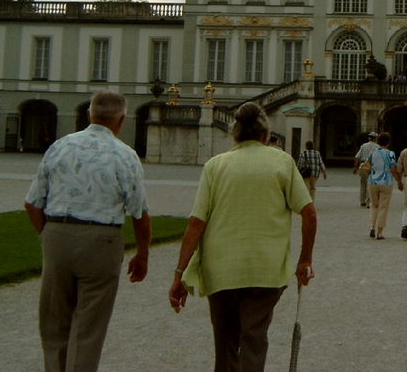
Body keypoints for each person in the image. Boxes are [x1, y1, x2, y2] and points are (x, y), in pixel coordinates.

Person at [169, 102, 316, 372]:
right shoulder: (282, 162)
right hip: (266, 267)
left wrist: (179, 273)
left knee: (225, 342)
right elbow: (309, 213)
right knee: (254, 339)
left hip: (221, 267)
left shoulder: (215, 165)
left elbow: (196, 223)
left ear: (234, 133)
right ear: (266, 135)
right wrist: (304, 259)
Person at [23, 91, 152, 372]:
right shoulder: (125, 155)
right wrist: (142, 255)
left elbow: (32, 203)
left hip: (57, 233)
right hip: (102, 240)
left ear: (89, 115)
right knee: (89, 328)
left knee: (54, 323)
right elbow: (139, 213)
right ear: (122, 120)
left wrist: (48, 235)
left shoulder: (60, 146)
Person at [367, 133, 399, 239]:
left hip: (373, 181)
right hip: (386, 181)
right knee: (383, 207)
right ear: (388, 143)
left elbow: (367, 164)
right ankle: (379, 232)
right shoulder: (390, 153)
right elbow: (393, 169)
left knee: (374, 205)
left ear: (378, 141)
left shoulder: (373, 152)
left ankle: (372, 226)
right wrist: (399, 181)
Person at [352, 132, 380, 208]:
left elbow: (357, 157)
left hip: (363, 165)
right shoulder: (377, 147)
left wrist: (355, 167)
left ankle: (362, 201)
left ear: (369, 138)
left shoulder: (363, 146)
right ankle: (369, 202)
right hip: (373, 165)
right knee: (371, 184)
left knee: (363, 183)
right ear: (375, 139)